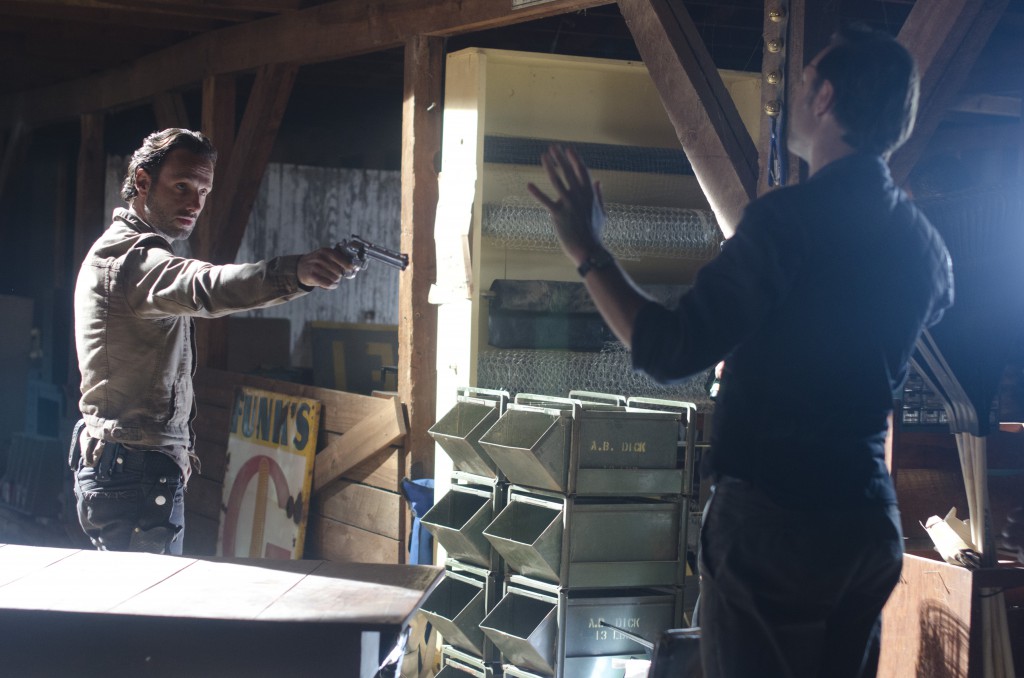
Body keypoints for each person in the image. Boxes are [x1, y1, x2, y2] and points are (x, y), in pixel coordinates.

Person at [528, 24, 953, 678]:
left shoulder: (787, 221)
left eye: (805, 79)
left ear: (825, 98)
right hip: (867, 524)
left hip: (777, 522)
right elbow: (893, 315)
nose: (794, 92)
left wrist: (586, 249)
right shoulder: (924, 246)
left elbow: (668, 349)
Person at [71, 128, 357, 556]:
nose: (194, 203)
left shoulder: (121, 252)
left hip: (129, 466)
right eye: (182, 186)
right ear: (143, 182)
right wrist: (295, 272)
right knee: (146, 599)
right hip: (135, 470)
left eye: (203, 191)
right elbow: (205, 285)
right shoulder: (133, 260)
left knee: (137, 596)